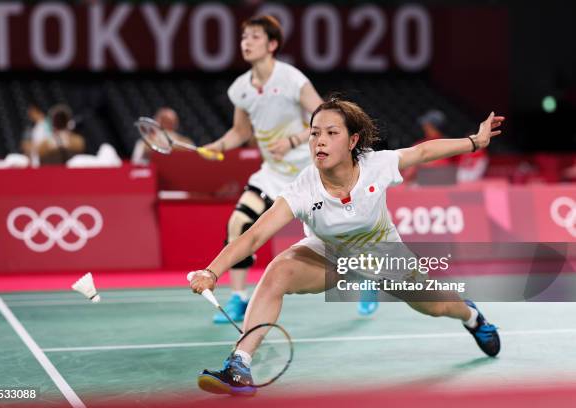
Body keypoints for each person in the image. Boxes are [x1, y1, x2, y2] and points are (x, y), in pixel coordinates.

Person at [189, 97, 505, 396]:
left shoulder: (375, 165)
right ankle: (240, 364)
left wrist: (474, 141)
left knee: (438, 307)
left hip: (384, 255)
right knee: (278, 272)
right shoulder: (303, 187)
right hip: (329, 256)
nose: (319, 141)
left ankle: (473, 317)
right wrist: (212, 271)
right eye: (314, 133)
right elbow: (254, 235)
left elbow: (421, 153)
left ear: (352, 141)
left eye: (331, 133)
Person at [198, 15, 333, 323]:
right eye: (244, 36)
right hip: (272, 174)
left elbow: (325, 116)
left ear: (272, 44)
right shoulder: (241, 88)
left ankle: (366, 282)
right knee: (238, 223)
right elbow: (240, 132)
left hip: (308, 172)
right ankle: (238, 298)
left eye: (255, 37)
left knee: (340, 235)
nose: (246, 42)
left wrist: (295, 139)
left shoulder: (291, 79)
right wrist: (218, 146)